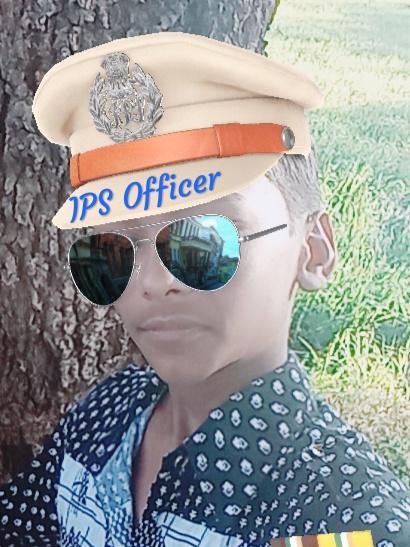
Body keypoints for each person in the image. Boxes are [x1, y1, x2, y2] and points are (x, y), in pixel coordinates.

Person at [1, 32, 409, 546]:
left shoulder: (342, 517)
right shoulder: (106, 415)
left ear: (313, 250)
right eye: (111, 251)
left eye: (203, 240)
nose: (151, 282)